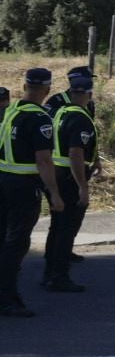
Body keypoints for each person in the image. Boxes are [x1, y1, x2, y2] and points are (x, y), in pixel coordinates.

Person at [0, 69, 66, 318]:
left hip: (3, 180)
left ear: (25, 84)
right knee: (16, 242)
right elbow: (44, 160)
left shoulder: (12, 110)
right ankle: (7, 299)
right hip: (23, 186)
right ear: (47, 90)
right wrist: (55, 194)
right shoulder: (40, 118)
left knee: (3, 239)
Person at [42, 71, 96, 292]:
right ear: (89, 94)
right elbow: (75, 154)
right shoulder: (80, 117)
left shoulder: (60, 112)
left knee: (57, 226)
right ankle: (59, 276)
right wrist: (83, 187)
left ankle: (49, 272)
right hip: (69, 177)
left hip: (56, 174)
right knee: (66, 229)